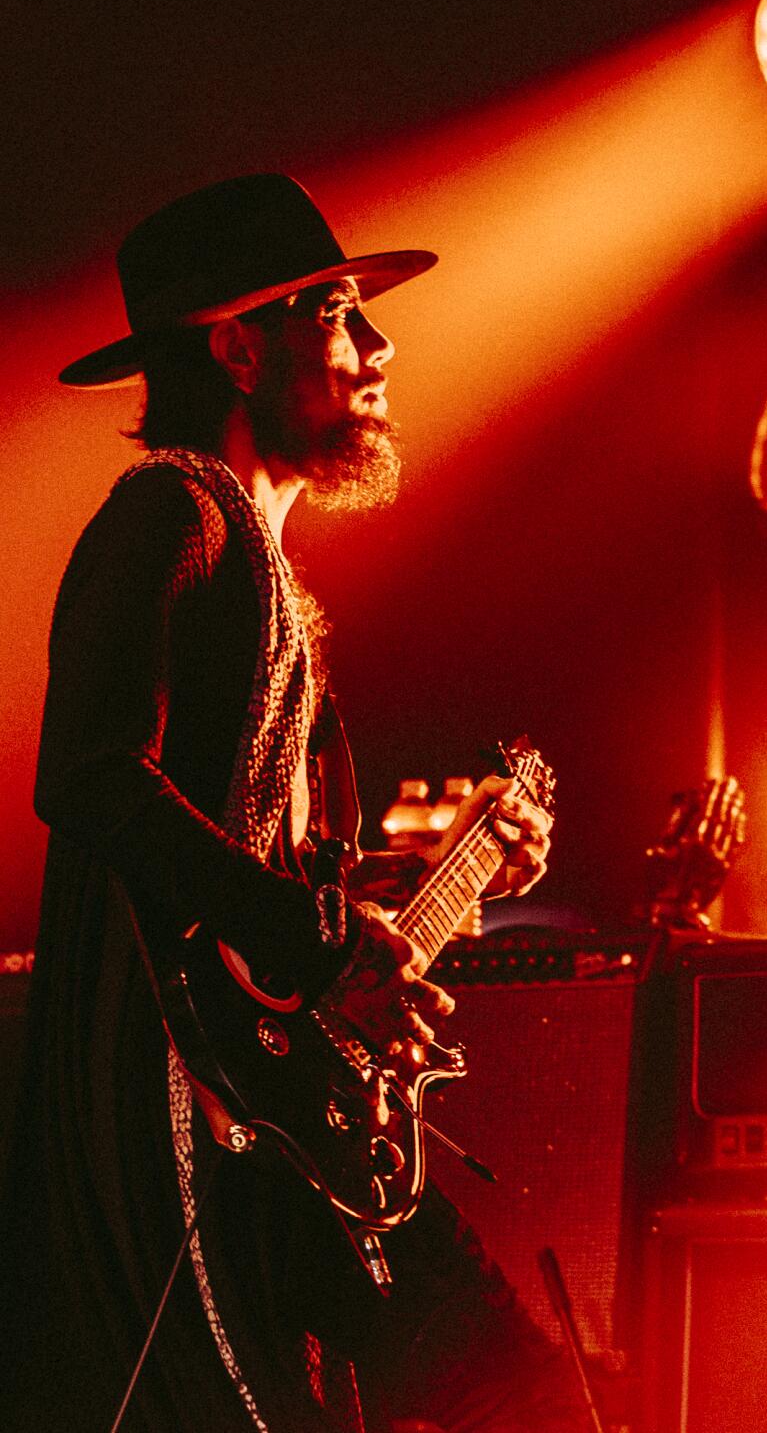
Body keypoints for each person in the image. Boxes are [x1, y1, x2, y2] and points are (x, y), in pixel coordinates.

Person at [1, 175, 587, 1433]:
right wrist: (321, 940)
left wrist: (421, 888)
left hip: (272, 1102)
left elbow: (251, 866)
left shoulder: (261, 566)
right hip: (181, 1113)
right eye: (338, 313)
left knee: (503, 1384)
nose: (378, 348)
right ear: (238, 346)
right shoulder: (171, 512)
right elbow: (91, 776)